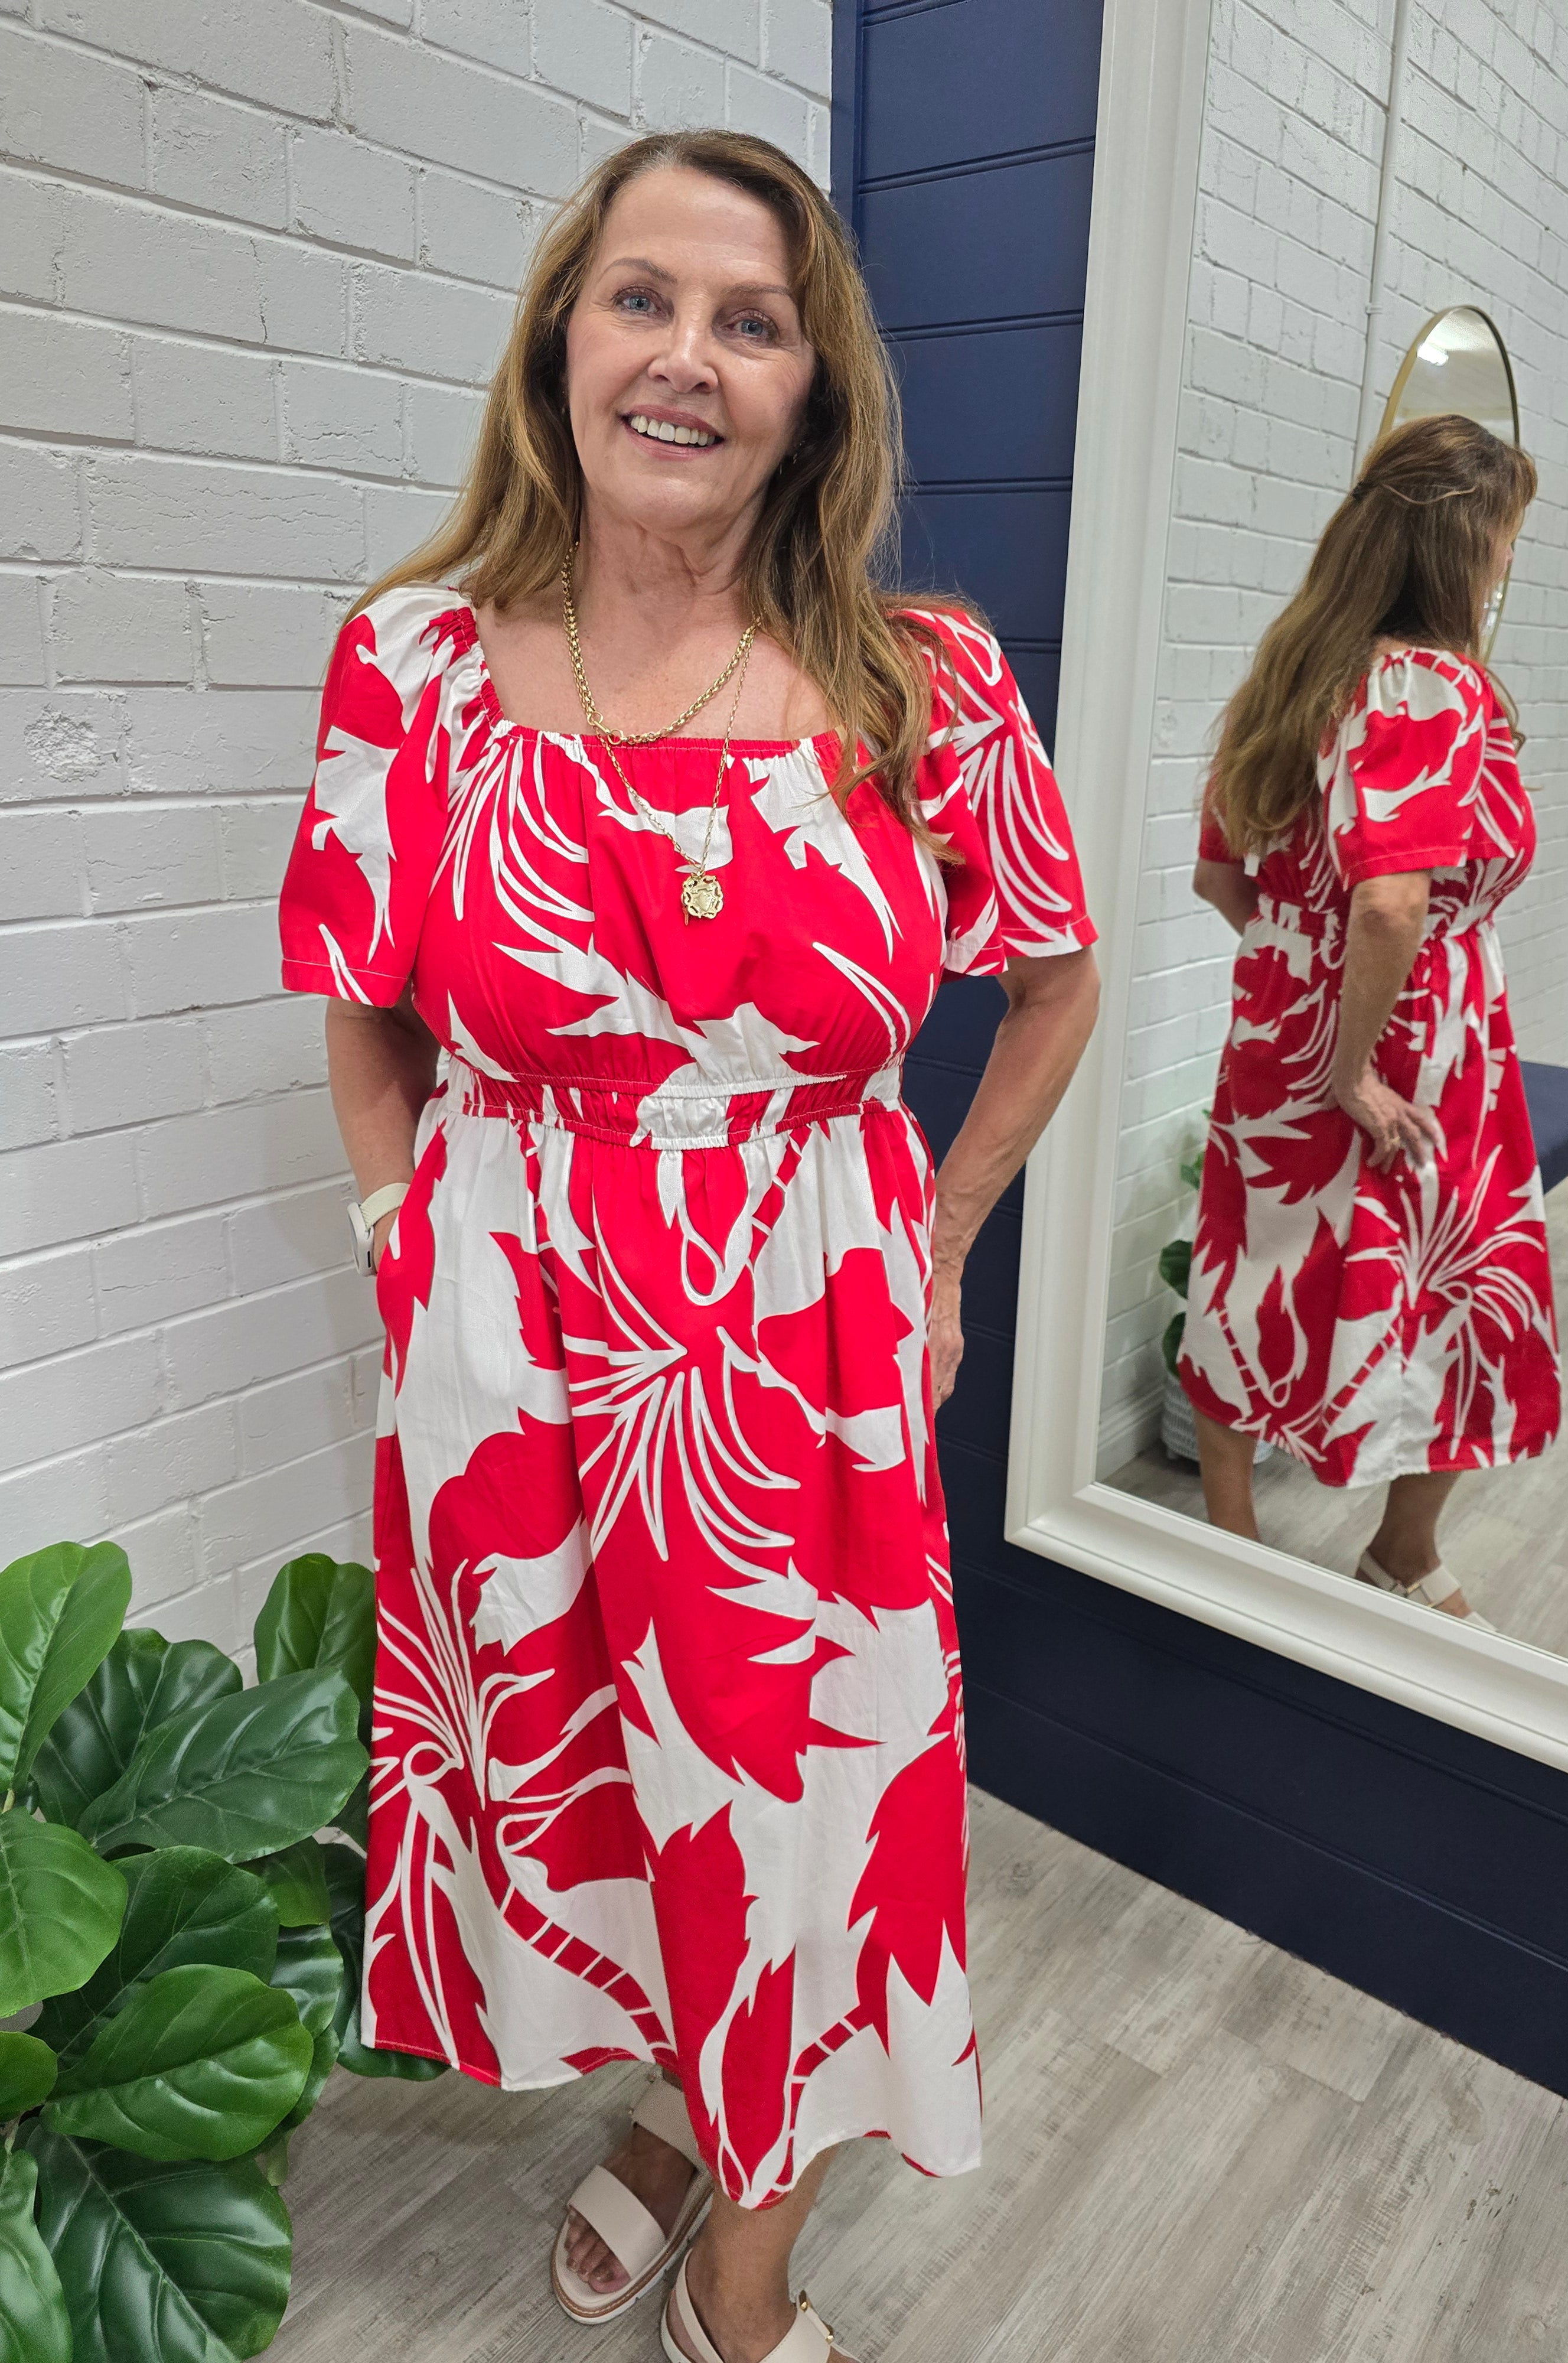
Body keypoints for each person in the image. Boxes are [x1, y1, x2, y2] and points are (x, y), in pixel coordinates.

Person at [278, 130, 1098, 2363]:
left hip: (797, 1356)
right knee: (614, 1810)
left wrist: (937, 1244)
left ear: (813, 393)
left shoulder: (921, 680)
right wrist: (403, 1243)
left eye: (754, 324)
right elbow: (362, 997)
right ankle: (673, 2111)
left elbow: (1054, 984)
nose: (688, 358)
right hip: (513, 1349)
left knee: (808, 1825)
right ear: (563, 337)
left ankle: (745, 2274)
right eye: (643, 299)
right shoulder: (413, 661)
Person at [1180, 411, 1557, 1629]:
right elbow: (1394, 901)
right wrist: (1351, 1064)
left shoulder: (1289, 674)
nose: (1509, 559)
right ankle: (1402, 1549)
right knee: (1467, 1289)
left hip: (1280, 1029)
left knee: (1248, 1273)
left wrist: (1297, 976)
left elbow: (1221, 877)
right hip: (1410, 1051)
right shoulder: (1434, 687)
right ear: (1460, 547)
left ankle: (1231, 1541)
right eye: (1505, 535)